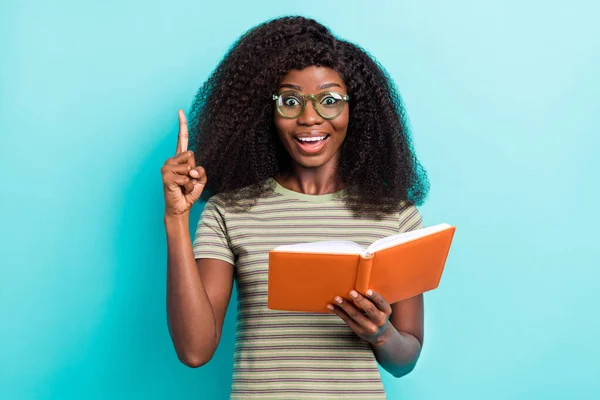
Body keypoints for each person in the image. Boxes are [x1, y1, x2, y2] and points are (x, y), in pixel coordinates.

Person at [162, 16, 430, 399]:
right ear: (265, 111)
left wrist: (381, 333)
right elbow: (194, 350)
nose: (309, 117)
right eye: (290, 101)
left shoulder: (397, 217)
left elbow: (405, 361)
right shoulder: (228, 212)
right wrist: (176, 219)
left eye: (329, 100)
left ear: (356, 110)